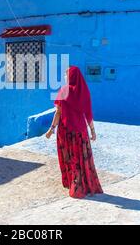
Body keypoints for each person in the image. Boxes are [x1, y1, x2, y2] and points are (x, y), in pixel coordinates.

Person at [46, 66, 103, 199]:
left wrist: (51, 129)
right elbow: (88, 114)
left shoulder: (64, 91)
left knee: (70, 158)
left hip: (66, 131)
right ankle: (85, 185)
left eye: (66, 75)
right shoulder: (84, 92)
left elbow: (58, 112)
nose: (65, 77)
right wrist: (93, 131)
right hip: (80, 133)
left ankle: (74, 185)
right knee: (82, 159)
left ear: (71, 76)